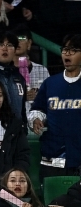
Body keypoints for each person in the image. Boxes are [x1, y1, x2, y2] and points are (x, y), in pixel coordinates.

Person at [28, 34, 81, 183]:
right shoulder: (50, 83)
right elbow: (37, 109)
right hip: (53, 159)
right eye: (65, 50)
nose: (67, 54)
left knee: (75, 205)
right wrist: (36, 119)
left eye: (73, 50)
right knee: (54, 205)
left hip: (78, 160)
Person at [12, 25, 49, 114]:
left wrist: (38, 96)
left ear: (29, 43)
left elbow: (49, 98)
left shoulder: (42, 70)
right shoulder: (4, 70)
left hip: (37, 121)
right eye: (14, 39)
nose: (17, 42)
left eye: (21, 38)